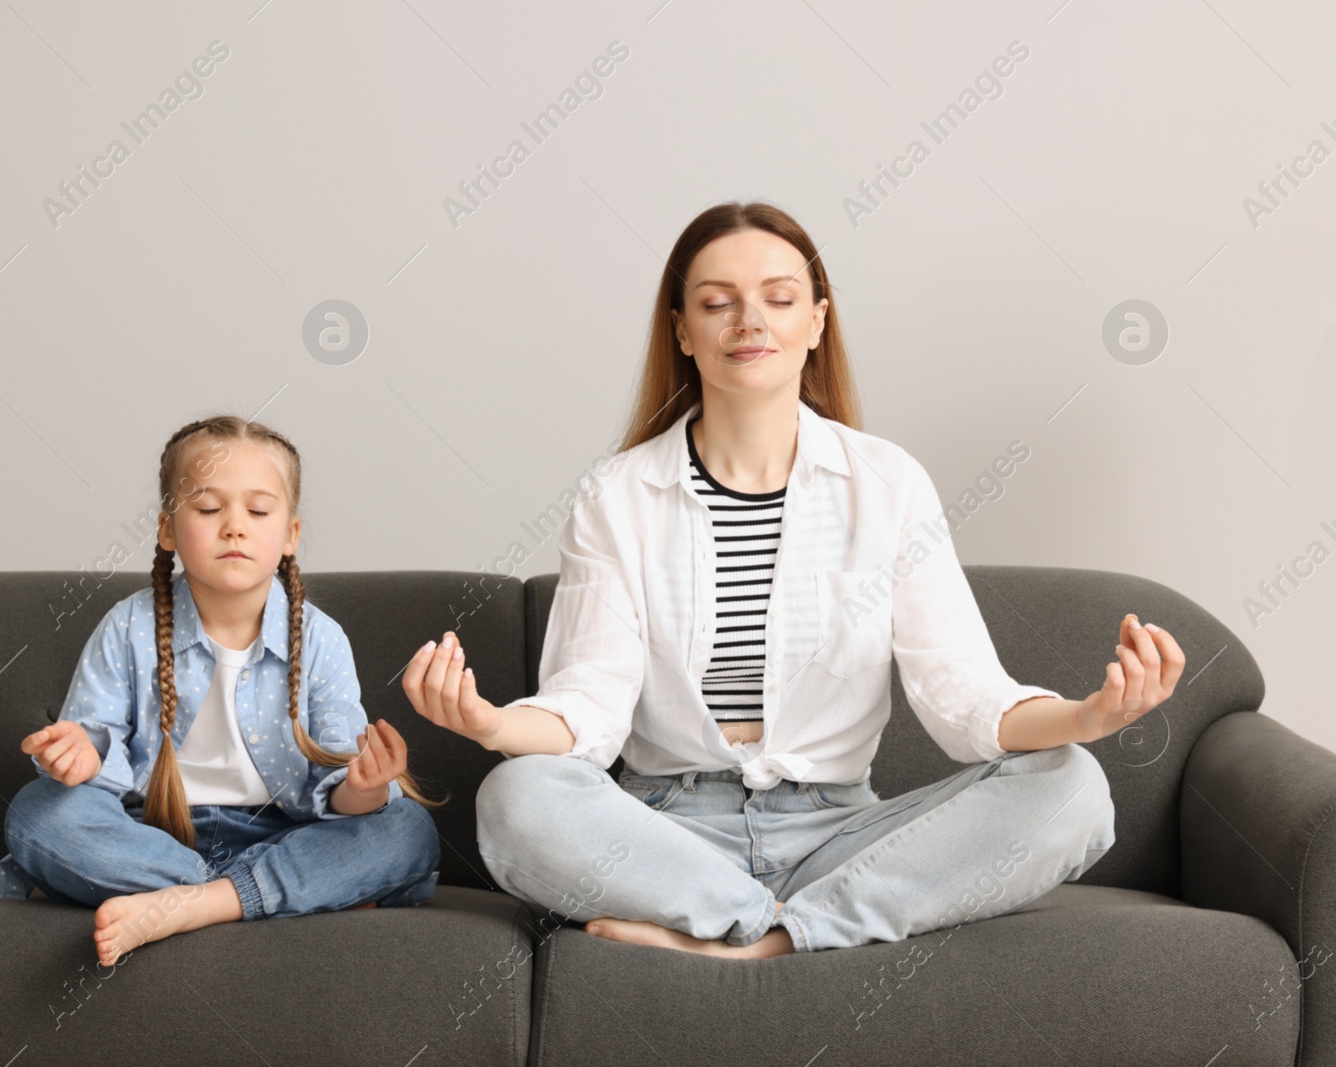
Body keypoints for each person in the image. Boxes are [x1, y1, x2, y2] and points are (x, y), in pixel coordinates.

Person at [401, 201, 1183, 958]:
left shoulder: (887, 483)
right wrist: (489, 724)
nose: (750, 320)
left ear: (816, 321)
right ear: (682, 329)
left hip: (839, 834)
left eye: (779, 298)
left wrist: (1088, 715)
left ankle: (755, 937)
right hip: (665, 835)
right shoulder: (619, 493)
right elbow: (590, 704)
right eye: (718, 302)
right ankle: (793, 924)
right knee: (517, 797)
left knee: (1072, 786)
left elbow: (966, 696)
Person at [0, 415, 443, 967]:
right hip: (152, 838)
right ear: (167, 530)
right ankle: (261, 894)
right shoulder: (127, 625)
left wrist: (368, 787)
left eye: (258, 511)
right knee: (38, 812)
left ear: (289, 536)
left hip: (285, 833)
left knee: (406, 827)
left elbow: (340, 791)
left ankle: (192, 905)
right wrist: (80, 756)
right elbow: (92, 746)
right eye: (209, 509)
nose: (235, 526)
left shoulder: (321, 638)